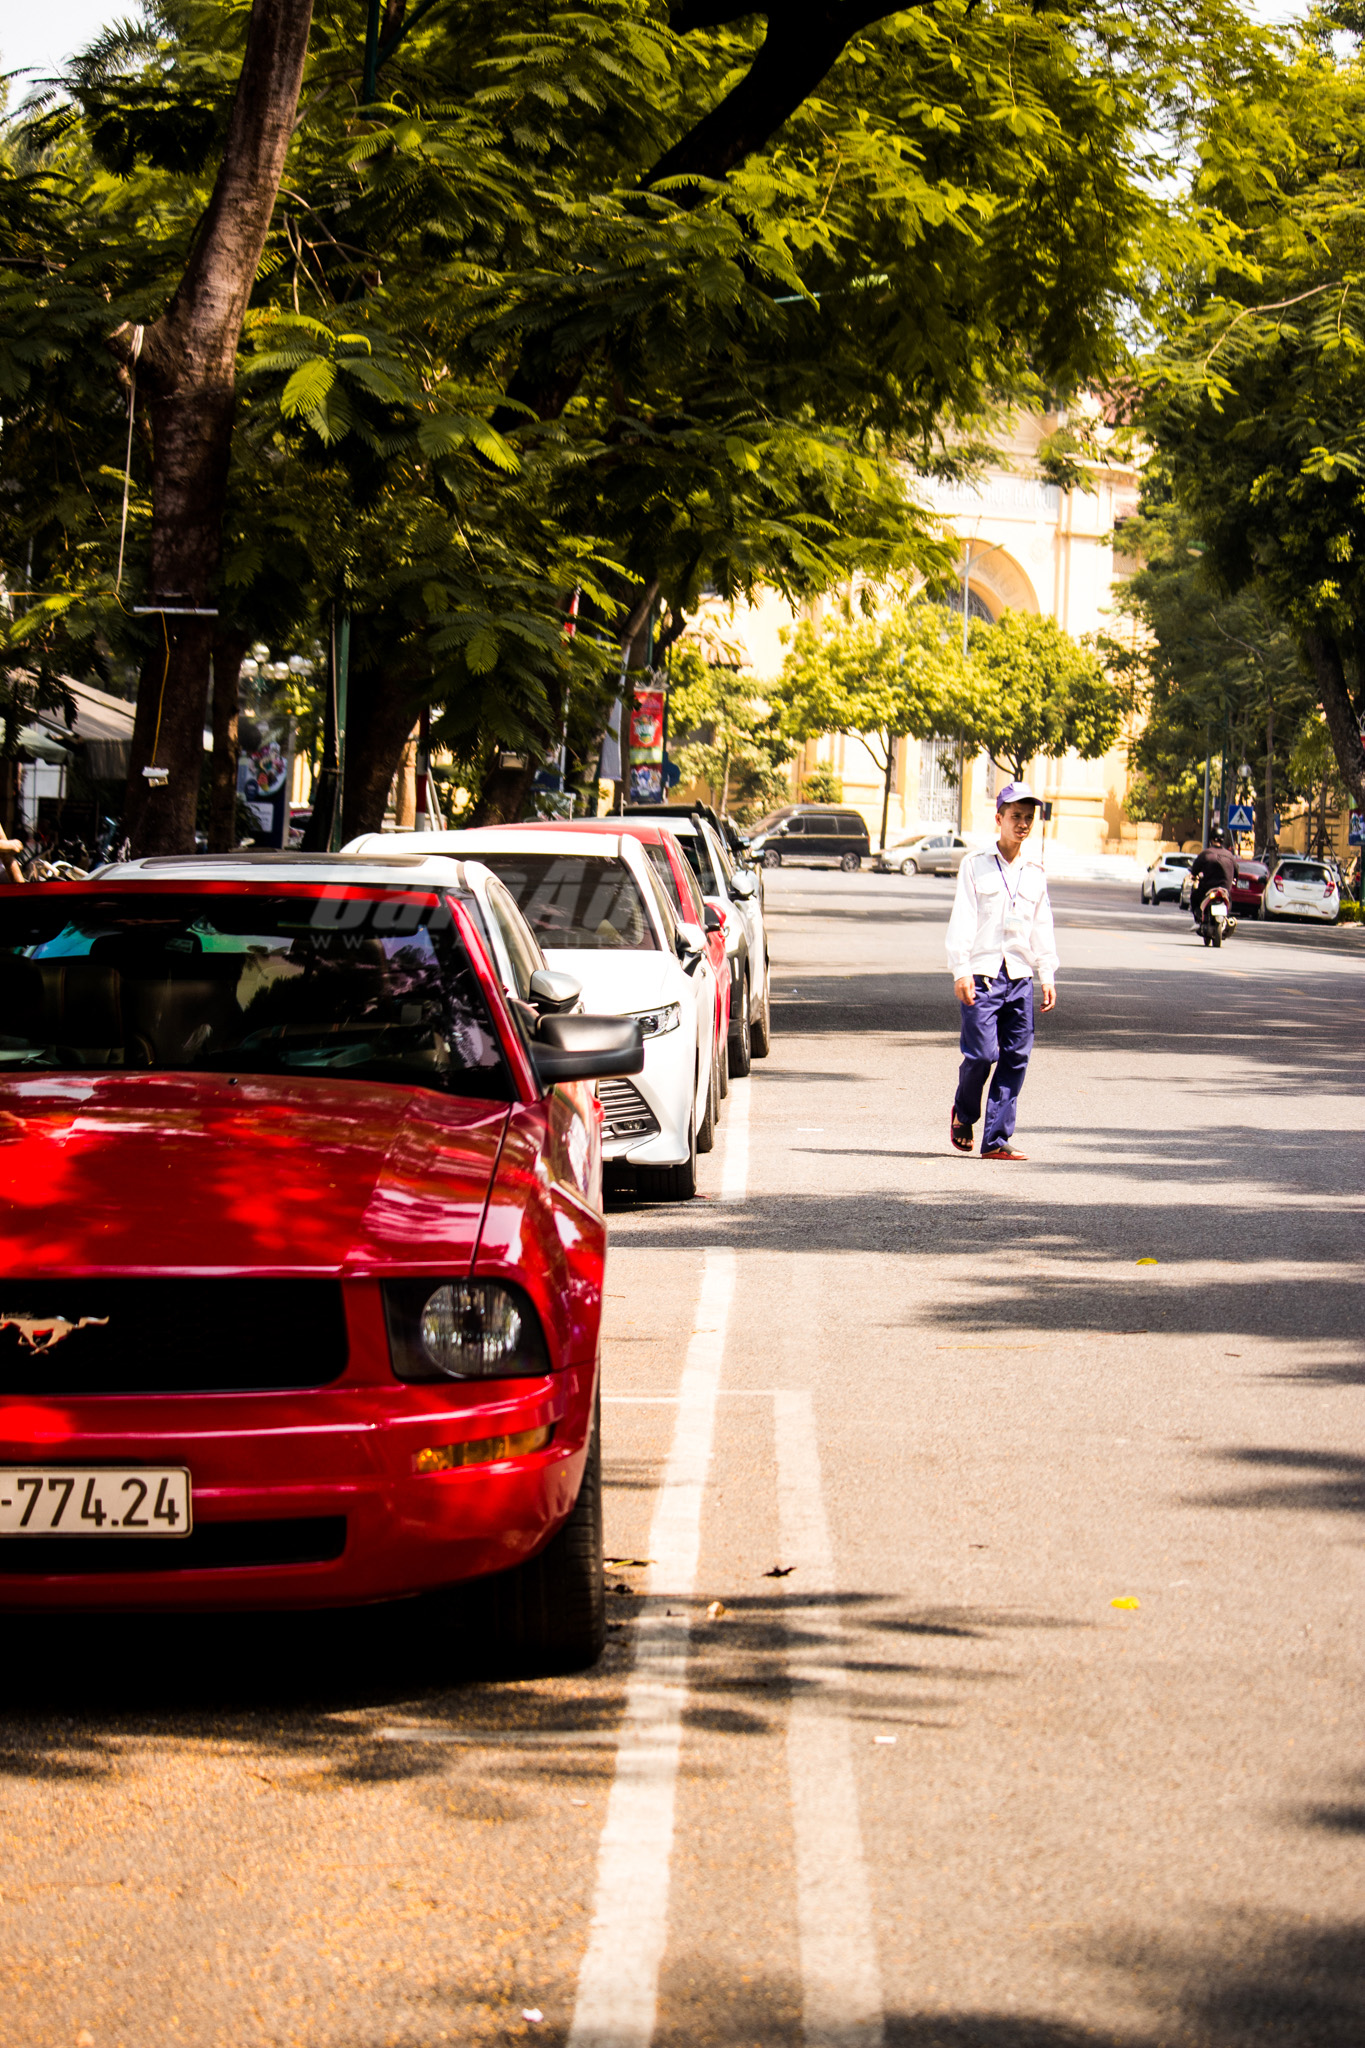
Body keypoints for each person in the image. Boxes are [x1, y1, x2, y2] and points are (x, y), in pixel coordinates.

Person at [946, 784, 1057, 1162]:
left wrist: (1047, 973)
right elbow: (962, 918)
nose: (1023, 823)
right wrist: (960, 969)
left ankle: (995, 1139)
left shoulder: (1035, 873)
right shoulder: (975, 864)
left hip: (1020, 976)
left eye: (1028, 817)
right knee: (981, 1054)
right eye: (1015, 817)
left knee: (1016, 1056)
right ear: (999, 819)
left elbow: (1042, 926)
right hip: (982, 974)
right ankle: (964, 1112)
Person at [1188, 827, 1237, 929]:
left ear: (1211, 839)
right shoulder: (1230, 856)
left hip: (1207, 888)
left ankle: (1197, 919)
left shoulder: (1205, 854)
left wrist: (1194, 876)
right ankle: (1227, 917)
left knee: (1194, 895)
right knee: (1230, 898)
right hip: (1225, 889)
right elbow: (1236, 871)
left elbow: (1194, 870)